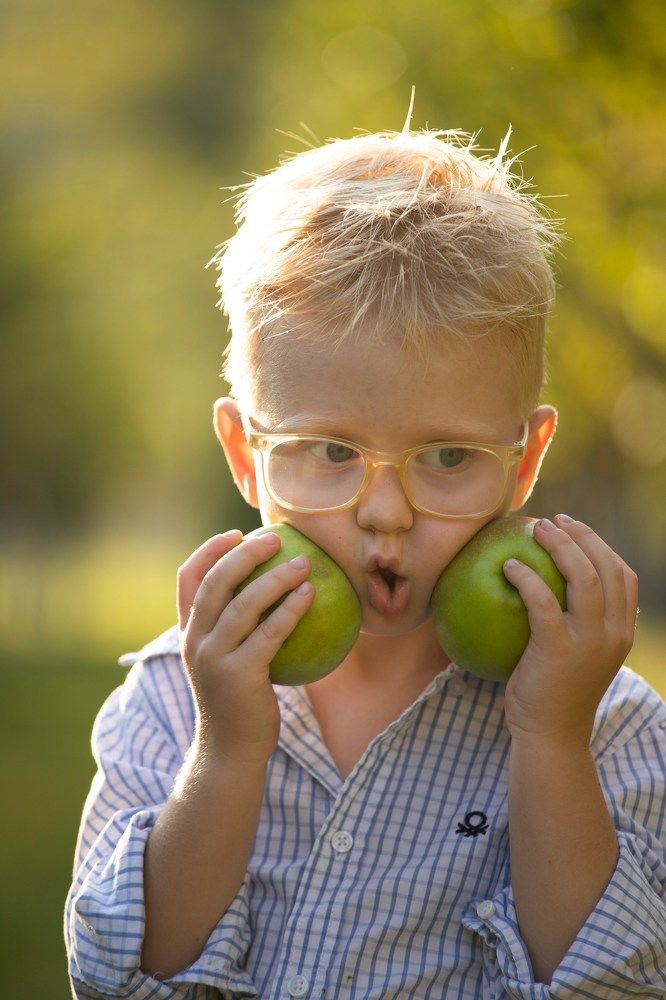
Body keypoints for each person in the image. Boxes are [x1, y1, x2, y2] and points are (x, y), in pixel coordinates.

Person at [65, 117, 666, 999]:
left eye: (450, 458)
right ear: (245, 453)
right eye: (332, 453)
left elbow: (614, 986)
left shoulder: (605, 722)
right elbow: (119, 978)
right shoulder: (166, 702)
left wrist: (551, 740)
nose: (387, 514)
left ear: (525, 460)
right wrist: (228, 755)